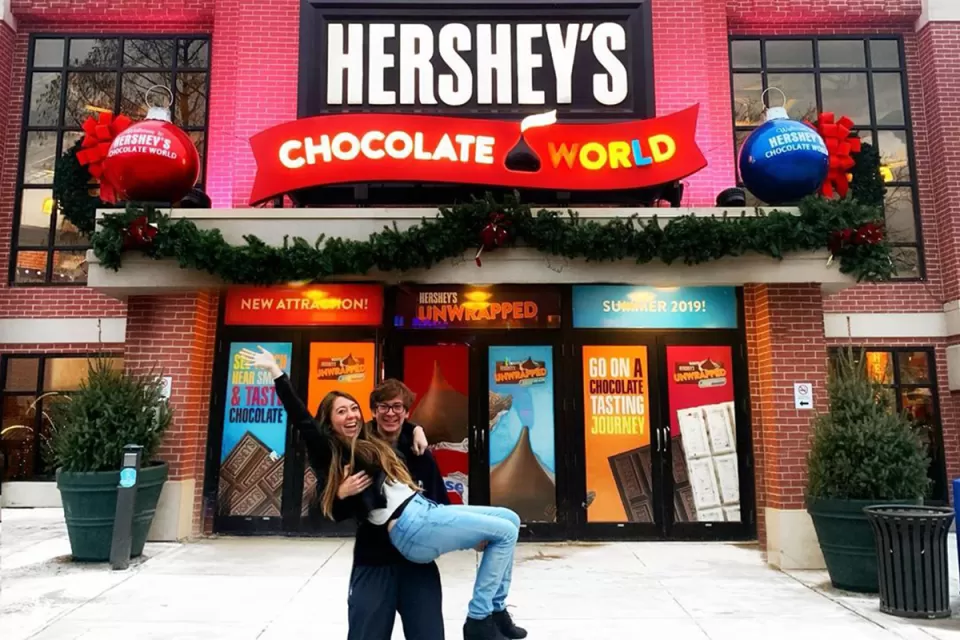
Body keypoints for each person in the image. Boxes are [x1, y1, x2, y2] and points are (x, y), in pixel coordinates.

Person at [239, 347, 526, 640]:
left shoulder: (388, 442)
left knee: (509, 520)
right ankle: (479, 619)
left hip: (422, 534)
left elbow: (438, 500)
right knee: (503, 531)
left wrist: (417, 429)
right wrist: (277, 374)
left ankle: (495, 610)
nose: (351, 416)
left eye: (353, 409)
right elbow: (302, 421)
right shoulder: (334, 449)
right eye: (342, 411)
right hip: (386, 548)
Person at [345, 378, 450, 640]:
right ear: (373, 410)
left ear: (406, 412)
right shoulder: (357, 448)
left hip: (418, 563)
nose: (390, 413)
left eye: (397, 407)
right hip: (374, 560)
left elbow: (442, 506)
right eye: (383, 406)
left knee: (429, 635)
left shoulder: (419, 452)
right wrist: (341, 491)